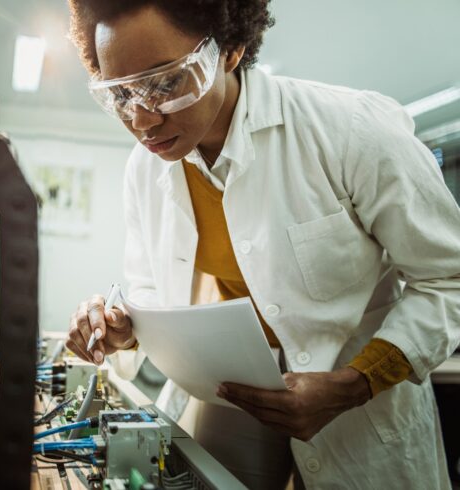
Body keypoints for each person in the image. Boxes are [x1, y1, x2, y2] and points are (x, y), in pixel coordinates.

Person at [63, 1, 460, 489]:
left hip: (359, 401)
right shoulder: (146, 168)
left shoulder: (351, 129)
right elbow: (149, 292)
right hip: (234, 391)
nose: (142, 120)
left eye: (165, 83)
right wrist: (123, 327)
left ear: (230, 48)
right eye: (120, 94)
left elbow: (449, 278)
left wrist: (354, 384)